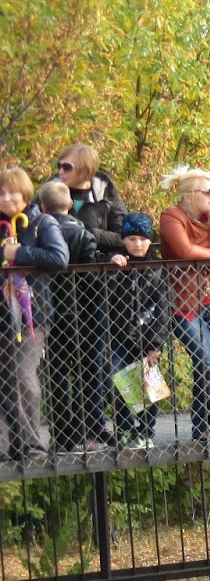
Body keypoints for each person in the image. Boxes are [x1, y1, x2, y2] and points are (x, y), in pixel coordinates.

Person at [158, 166, 210, 441]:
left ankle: (199, 429)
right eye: (207, 192)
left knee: (206, 366)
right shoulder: (173, 215)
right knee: (208, 362)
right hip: (183, 303)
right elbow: (184, 250)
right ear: (188, 195)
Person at [37, 179, 120, 450]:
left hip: (54, 310)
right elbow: (91, 275)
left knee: (59, 372)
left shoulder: (41, 234)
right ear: (70, 204)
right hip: (85, 311)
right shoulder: (82, 233)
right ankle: (89, 426)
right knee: (88, 370)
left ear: (42, 206)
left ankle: (62, 434)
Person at [0, 167, 67, 459]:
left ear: (25, 192)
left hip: (31, 315)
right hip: (2, 312)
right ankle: (3, 447)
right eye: (1, 193)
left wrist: (20, 255)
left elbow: (58, 257)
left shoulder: (41, 222)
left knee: (21, 374)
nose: (6, 198)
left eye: (12, 191)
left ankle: (32, 445)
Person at [106, 212, 169, 448]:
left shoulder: (158, 269)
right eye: (132, 239)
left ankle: (145, 431)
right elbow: (106, 299)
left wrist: (156, 345)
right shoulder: (114, 264)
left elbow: (163, 310)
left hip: (148, 337)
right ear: (123, 240)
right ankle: (124, 429)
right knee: (117, 381)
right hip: (119, 337)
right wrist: (112, 268)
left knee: (149, 386)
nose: (138, 244)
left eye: (142, 239)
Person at [54, 144, 128, 255]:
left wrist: (88, 233)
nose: (61, 171)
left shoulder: (106, 195)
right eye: (59, 166)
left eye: (67, 167)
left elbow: (124, 237)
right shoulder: (50, 193)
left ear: (84, 169)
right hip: (56, 265)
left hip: (95, 266)